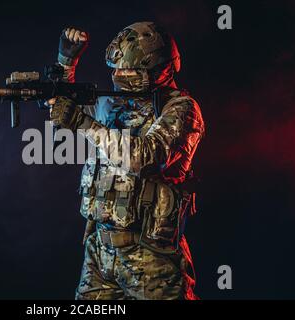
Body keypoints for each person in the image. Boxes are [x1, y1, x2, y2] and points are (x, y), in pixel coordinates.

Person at [47, 22, 205, 300]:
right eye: (115, 70)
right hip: (101, 250)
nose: (119, 75)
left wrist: (81, 122)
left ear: (158, 68)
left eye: (129, 70)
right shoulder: (114, 103)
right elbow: (62, 105)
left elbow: (146, 156)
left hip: (150, 256)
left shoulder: (181, 109)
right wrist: (66, 61)